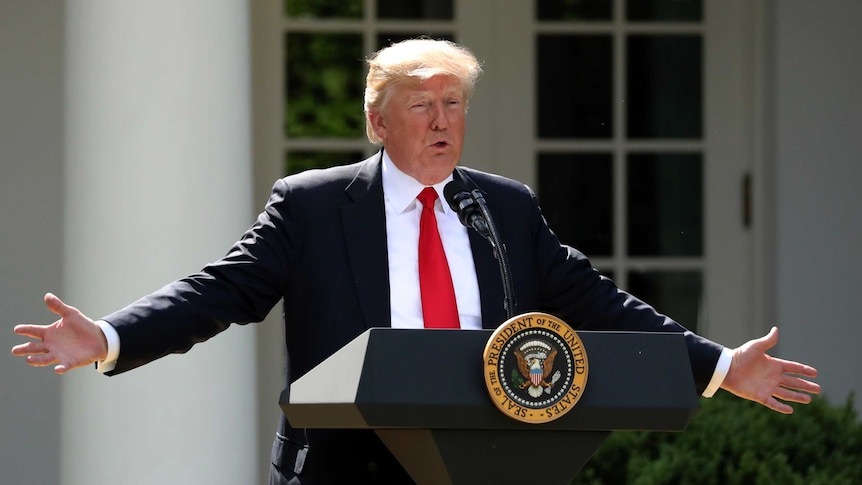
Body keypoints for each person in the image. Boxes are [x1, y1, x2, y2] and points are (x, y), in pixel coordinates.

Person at [11, 39, 819, 484]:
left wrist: (715, 366)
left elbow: (593, 299)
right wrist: (113, 337)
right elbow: (221, 290)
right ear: (378, 120)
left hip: (487, 460)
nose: (442, 120)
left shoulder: (503, 207)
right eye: (421, 105)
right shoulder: (316, 205)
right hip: (345, 469)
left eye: (454, 103)